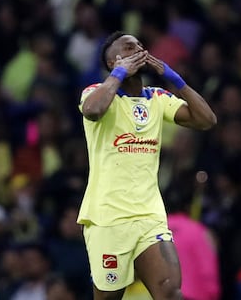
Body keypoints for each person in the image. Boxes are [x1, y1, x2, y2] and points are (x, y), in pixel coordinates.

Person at [77, 31, 217, 300]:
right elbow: (93, 111)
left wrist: (173, 77)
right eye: (128, 48)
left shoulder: (157, 98)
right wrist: (118, 74)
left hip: (149, 216)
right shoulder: (96, 93)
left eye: (140, 45)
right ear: (113, 62)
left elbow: (206, 120)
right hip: (108, 217)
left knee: (171, 293)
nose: (138, 49)